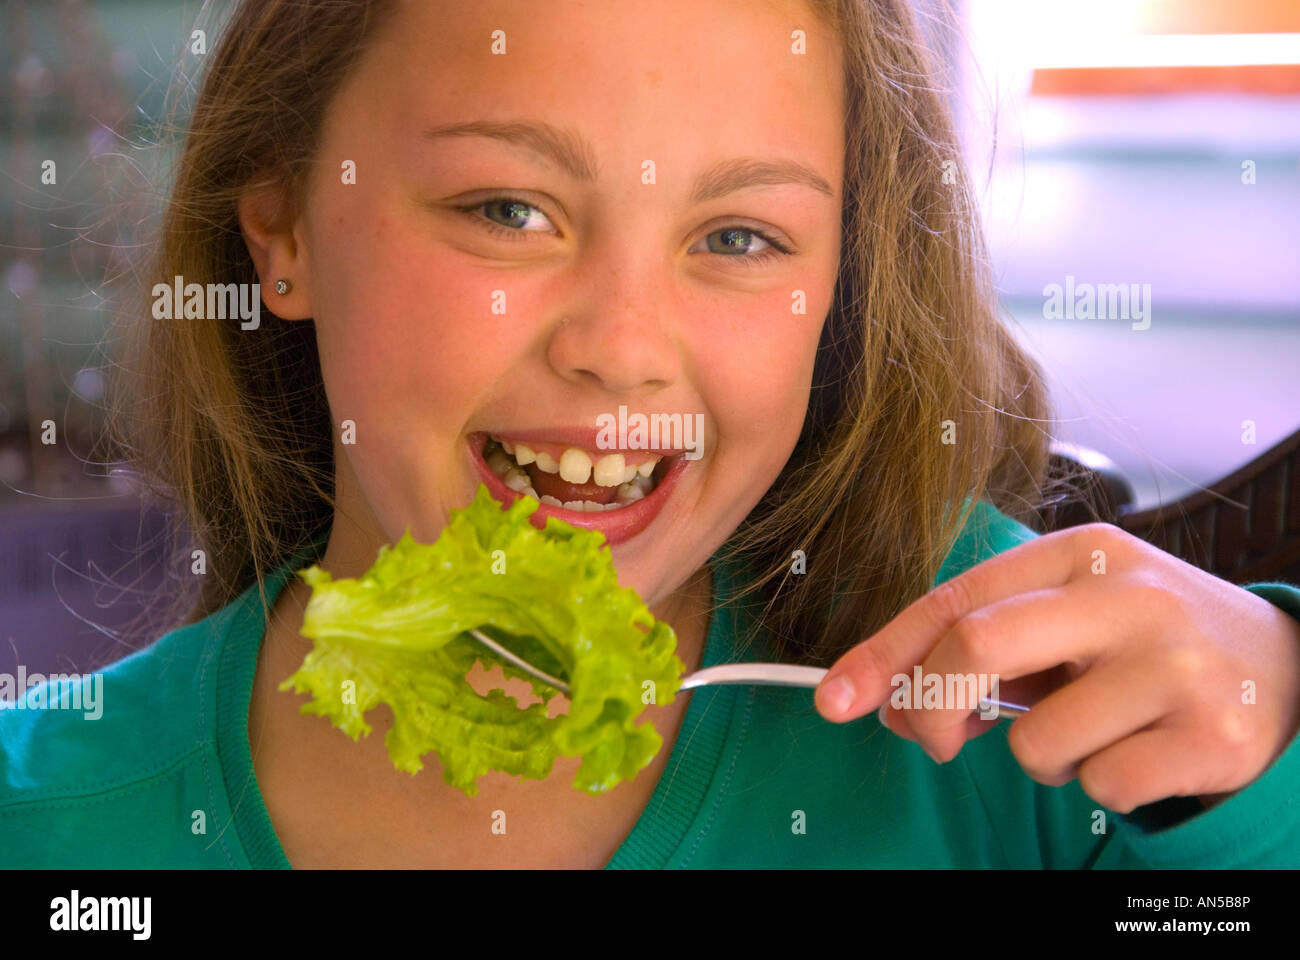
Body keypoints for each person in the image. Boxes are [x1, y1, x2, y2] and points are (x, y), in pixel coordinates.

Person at [2, 0, 1298, 869]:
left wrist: (1264, 757)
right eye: (508, 210)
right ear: (284, 228)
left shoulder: (1029, 743)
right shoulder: (51, 813)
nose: (622, 343)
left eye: (738, 238)